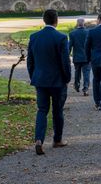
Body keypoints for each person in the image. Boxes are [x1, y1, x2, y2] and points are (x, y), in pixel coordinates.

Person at [26, 8, 71, 155]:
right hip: (57, 81)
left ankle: (39, 139)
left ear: (44, 20)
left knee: (42, 110)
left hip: (40, 80)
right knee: (58, 110)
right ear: (56, 20)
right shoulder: (61, 37)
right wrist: (67, 77)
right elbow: (65, 62)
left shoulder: (34, 37)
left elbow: (30, 61)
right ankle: (57, 140)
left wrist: (34, 76)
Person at [69, 18, 91, 96]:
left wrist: (67, 55)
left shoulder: (72, 33)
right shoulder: (88, 32)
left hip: (77, 57)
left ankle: (76, 85)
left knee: (77, 72)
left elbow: (70, 45)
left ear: (77, 23)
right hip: (87, 57)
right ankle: (85, 89)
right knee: (86, 73)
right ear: (84, 23)